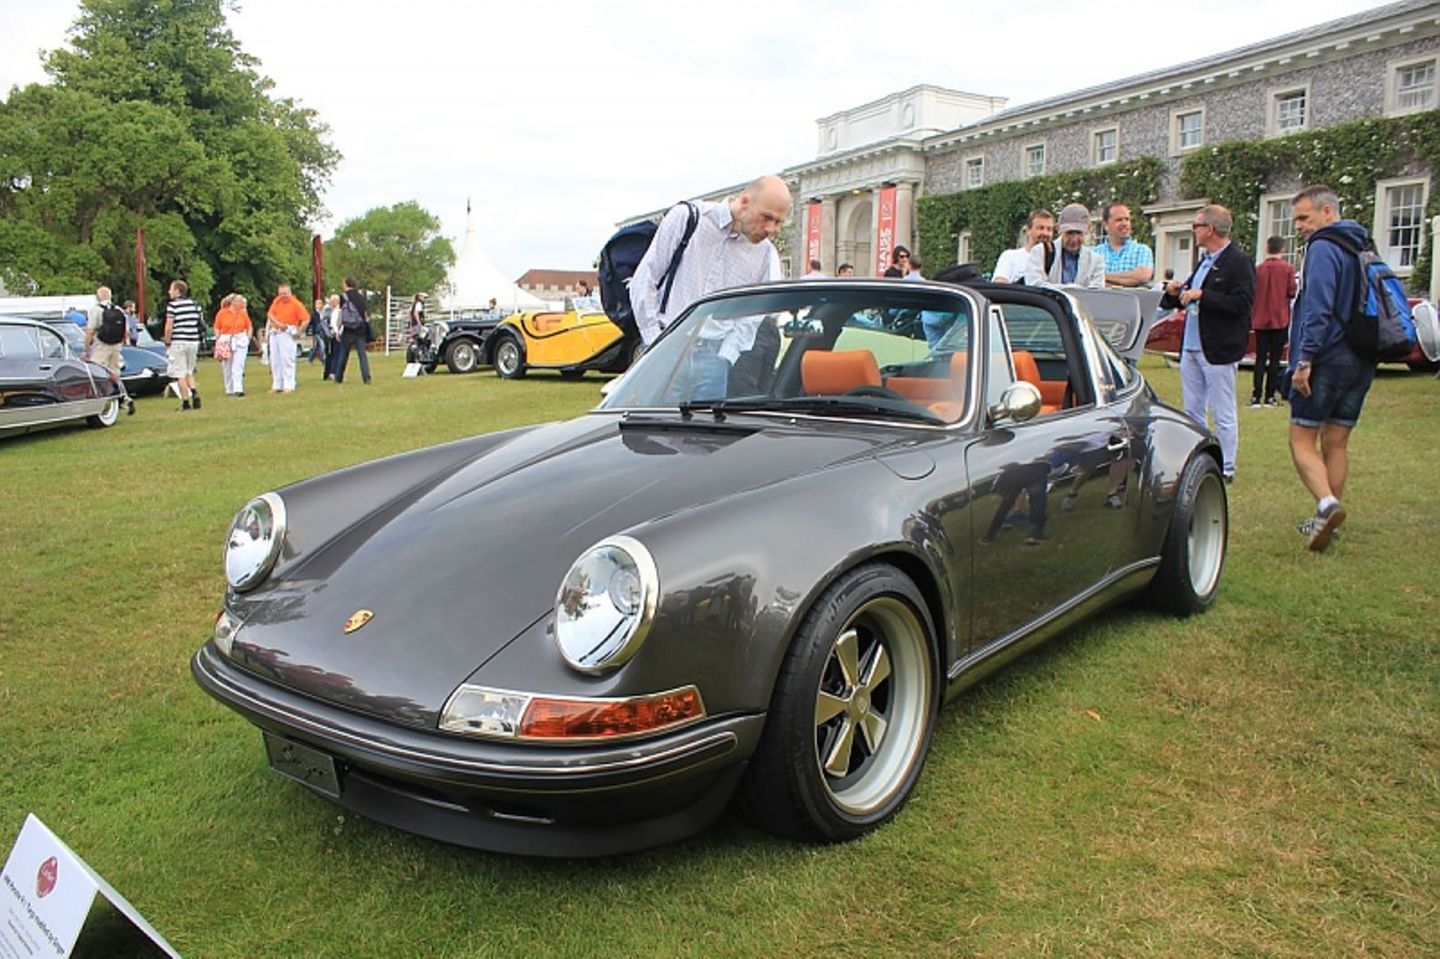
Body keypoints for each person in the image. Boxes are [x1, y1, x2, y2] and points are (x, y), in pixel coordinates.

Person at [1286, 185, 1377, 552]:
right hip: (1362, 355)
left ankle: (1326, 504)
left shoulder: (1324, 247)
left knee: (1301, 439)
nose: (1300, 227)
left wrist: (1304, 360)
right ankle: (1328, 519)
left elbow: (1318, 310)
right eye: (1296, 220)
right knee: (1337, 441)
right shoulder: (1364, 246)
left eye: (1304, 218)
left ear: (1327, 213)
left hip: (1327, 356)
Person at [630, 173, 789, 354]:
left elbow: (755, 311)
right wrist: (655, 343)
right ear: (744, 202)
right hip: (669, 342)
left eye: (778, 222)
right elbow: (644, 279)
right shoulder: (688, 218)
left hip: (715, 356)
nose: (771, 229)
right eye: (766, 217)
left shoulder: (764, 252)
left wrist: (728, 354)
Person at [1159, 204, 1256, 483]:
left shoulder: (1238, 262)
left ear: (1210, 229)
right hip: (1191, 345)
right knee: (1192, 407)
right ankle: (1198, 458)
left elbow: (1242, 303)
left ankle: (1227, 466)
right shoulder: (1203, 260)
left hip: (1218, 347)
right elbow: (1183, 298)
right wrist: (1176, 292)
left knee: (1222, 409)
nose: (1194, 230)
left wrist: (1204, 295)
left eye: (1197, 225)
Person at [1251, 235, 1297, 408]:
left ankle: (1256, 395)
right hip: (1279, 318)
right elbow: (1291, 291)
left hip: (1260, 318)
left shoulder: (1258, 269)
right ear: (1282, 250)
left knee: (1260, 358)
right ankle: (1270, 396)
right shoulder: (1287, 269)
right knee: (1275, 359)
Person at [1024, 203, 1105, 288]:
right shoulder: (1040, 252)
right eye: (1069, 233)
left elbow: (1096, 292)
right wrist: (1071, 289)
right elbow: (1034, 285)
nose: (1074, 239)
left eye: (1079, 233)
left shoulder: (1096, 261)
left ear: (1088, 230)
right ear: (1059, 229)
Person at [83, 284, 135, 416]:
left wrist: (86, 349)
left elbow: (90, 330)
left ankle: (101, 402)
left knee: (98, 372)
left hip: (101, 345)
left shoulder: (95, 310)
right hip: (116, 345)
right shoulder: (118, 309)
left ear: (98, 296)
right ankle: (124, 397)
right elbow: (126, 331)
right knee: (115, 373)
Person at [164, 278, 204, 411]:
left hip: (179, 341)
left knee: (180, 373)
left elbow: (169, 326)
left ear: (177, 291)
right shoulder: (195, 304)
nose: (169, 291)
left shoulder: (173, 306)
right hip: (193, 341)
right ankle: (195, 392)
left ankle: (186, 402)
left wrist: (167, 340)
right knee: (189, 370)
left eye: (171, 289)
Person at [265, 283, 308, 393]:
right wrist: (277, 323)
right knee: (275, 359)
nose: (282, 296)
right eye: (280, 294)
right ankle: (277, 384)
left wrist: (299, 331)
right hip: (276, 331)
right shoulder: (277, 301)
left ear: (290, 292)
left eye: (285, 294)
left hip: (287, 331)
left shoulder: (296, 303)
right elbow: (270, 314)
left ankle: (289, 384)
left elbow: (305, 319)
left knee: (287, 358)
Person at [1099, 203, 1155, 288]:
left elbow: (1142, 276)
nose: (1125, 223)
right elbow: (1088, 281)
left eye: (1127, 219)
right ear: (1106, 225)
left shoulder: (1142, 250)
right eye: (1119, 220)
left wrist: (1102, 276)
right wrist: (1129, 283)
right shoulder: (1094, 253)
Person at [991, 209, 1054, 283]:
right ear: (1028, 230)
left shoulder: (1056, 260)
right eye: (1040, 228)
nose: (1045, 233)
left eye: (1049, 229)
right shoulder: (1010, 256)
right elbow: (1000, 285)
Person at [333, 277, 372, 385]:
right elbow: (365, 314)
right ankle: (366, 377)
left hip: (348, 329)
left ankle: (338, 377)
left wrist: (338, 329)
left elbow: (342, 314)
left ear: (346, 284)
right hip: (360, 328)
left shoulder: (343, 297)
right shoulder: (361, 297)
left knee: (343, 354)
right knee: (362, 355)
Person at [214, 293, 254, 396]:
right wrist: (218, 339)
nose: (242, 303)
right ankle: (229, 388)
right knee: (227, 365)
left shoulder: (243, 313)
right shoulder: (222, 313)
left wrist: (248, 338)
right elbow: (217, 327)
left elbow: (249, 326)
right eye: (240, 301)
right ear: (233, 302)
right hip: (226, 339)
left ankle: (238, 388)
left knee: (238, 364)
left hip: (240, 339)